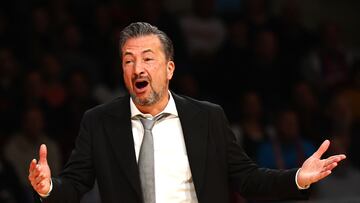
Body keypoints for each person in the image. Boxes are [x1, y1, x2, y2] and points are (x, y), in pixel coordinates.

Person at [28, 22, 346, 203]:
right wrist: (48, 187)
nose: (137, 67)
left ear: (169, 69)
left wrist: (297, 179)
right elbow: (75, 184)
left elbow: (247, 179)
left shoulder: (207, 117)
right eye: (128, 60)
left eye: (148, 59)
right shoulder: (98, 121)